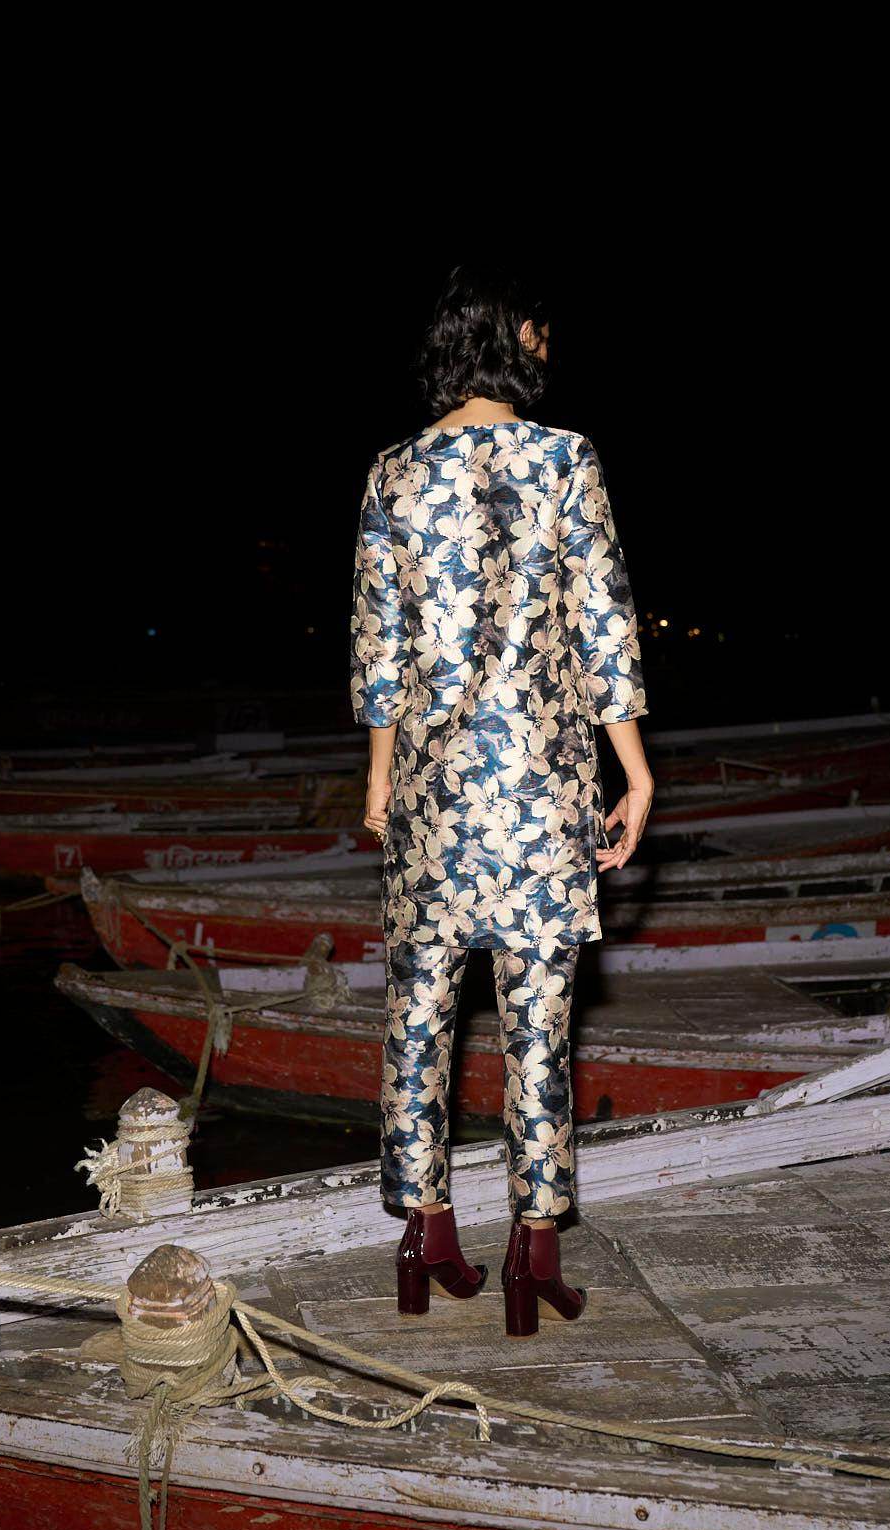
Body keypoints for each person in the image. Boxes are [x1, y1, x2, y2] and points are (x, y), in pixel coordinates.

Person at [348, 264, 654, 1336]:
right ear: (512, 335)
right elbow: (603, 623)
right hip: (538, 782)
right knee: (537, 1025)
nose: (547, 346)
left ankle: (424, 1232)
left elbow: (379, 647)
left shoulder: (392, 471)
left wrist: (379, 777)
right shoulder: (566, 458)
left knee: (418, 1012)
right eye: (539, 329)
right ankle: (533, 1250)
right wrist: (634, 768)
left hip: (430, 788)